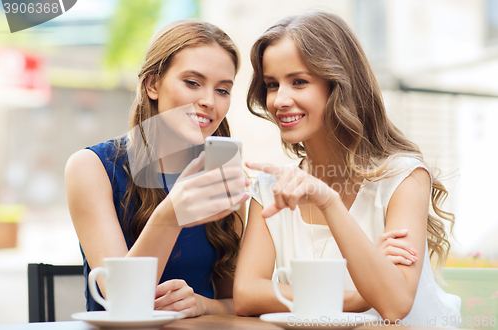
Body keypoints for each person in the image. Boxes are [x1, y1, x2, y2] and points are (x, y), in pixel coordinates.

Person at [233, 11, 461, 326]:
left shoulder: (404, 178)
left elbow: (394, 305)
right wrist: (359, 296)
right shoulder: (272, 186)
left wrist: (327, 201)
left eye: (299, 82)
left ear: (338, 85)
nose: (280, 99)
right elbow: (246, 294)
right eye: (272, 84)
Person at [65, 20, 249, 317]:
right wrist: (171, 215)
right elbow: (121, 300)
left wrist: (203, 304)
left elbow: (239, 303)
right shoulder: (91, 168)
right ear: (152, 84)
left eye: (223, 90)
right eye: (192, 83)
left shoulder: (223, 178)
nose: (208, 101)